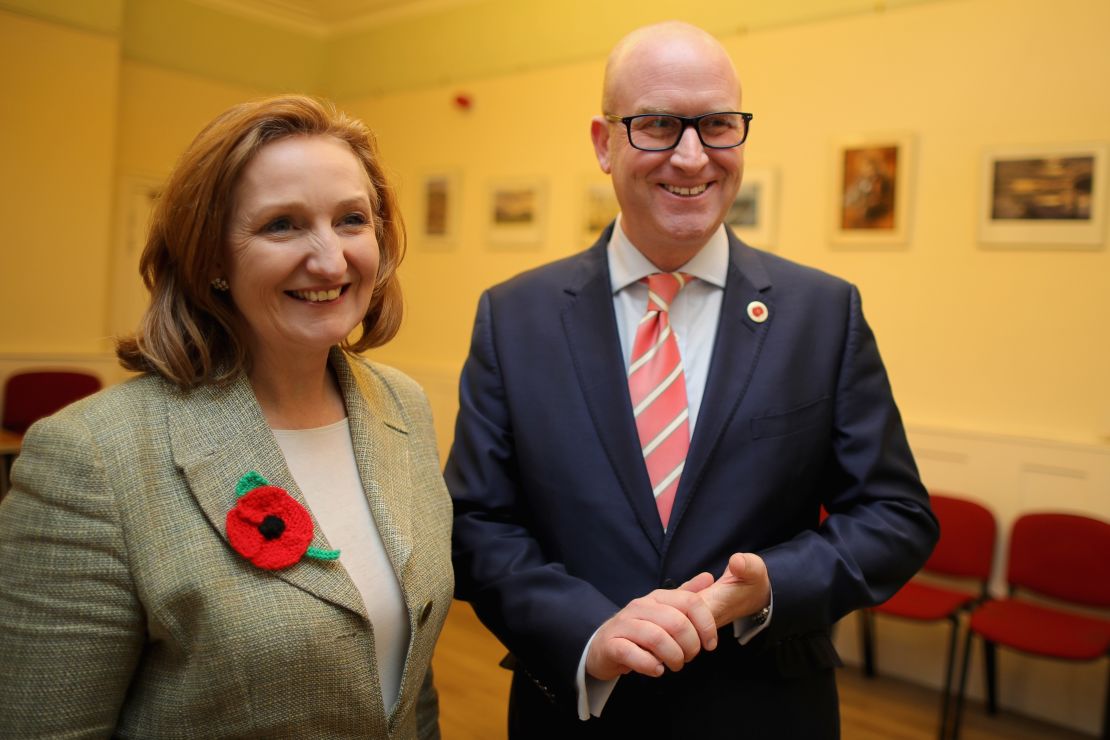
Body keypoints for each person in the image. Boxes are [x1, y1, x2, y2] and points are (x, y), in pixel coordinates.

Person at [446, 21, 938, 739]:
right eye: (656, 125)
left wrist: (770, 585)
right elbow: (478, 525)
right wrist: (591, 632)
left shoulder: (823, 314)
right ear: (602, 141)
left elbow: (896, 517)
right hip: (578, 710)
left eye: (716, 125)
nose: (690, 155)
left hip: (765, 708)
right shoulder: (514, 317)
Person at [0, 95, 452, 739]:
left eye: (352, 220)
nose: (330, 260)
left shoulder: (400, 405)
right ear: (211, 258)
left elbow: (411, 679)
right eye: (281, 226)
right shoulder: (90, 459)